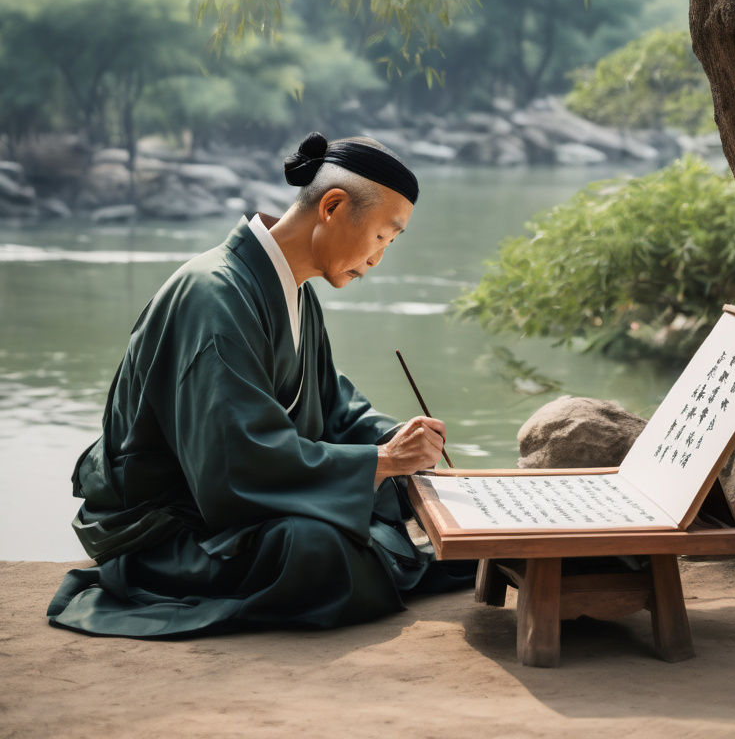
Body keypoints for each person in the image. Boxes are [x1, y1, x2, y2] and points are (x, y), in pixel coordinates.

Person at [47, 132, 470, 638]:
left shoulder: (292, 291)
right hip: (172, 527)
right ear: (333, 206)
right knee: (317, 547)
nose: (380, 257)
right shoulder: (213, 296)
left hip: (229, 504)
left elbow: (334, 409)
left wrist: (401, 443)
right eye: (382, 236)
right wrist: (381, 462)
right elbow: (233, 462)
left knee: (388, 499)